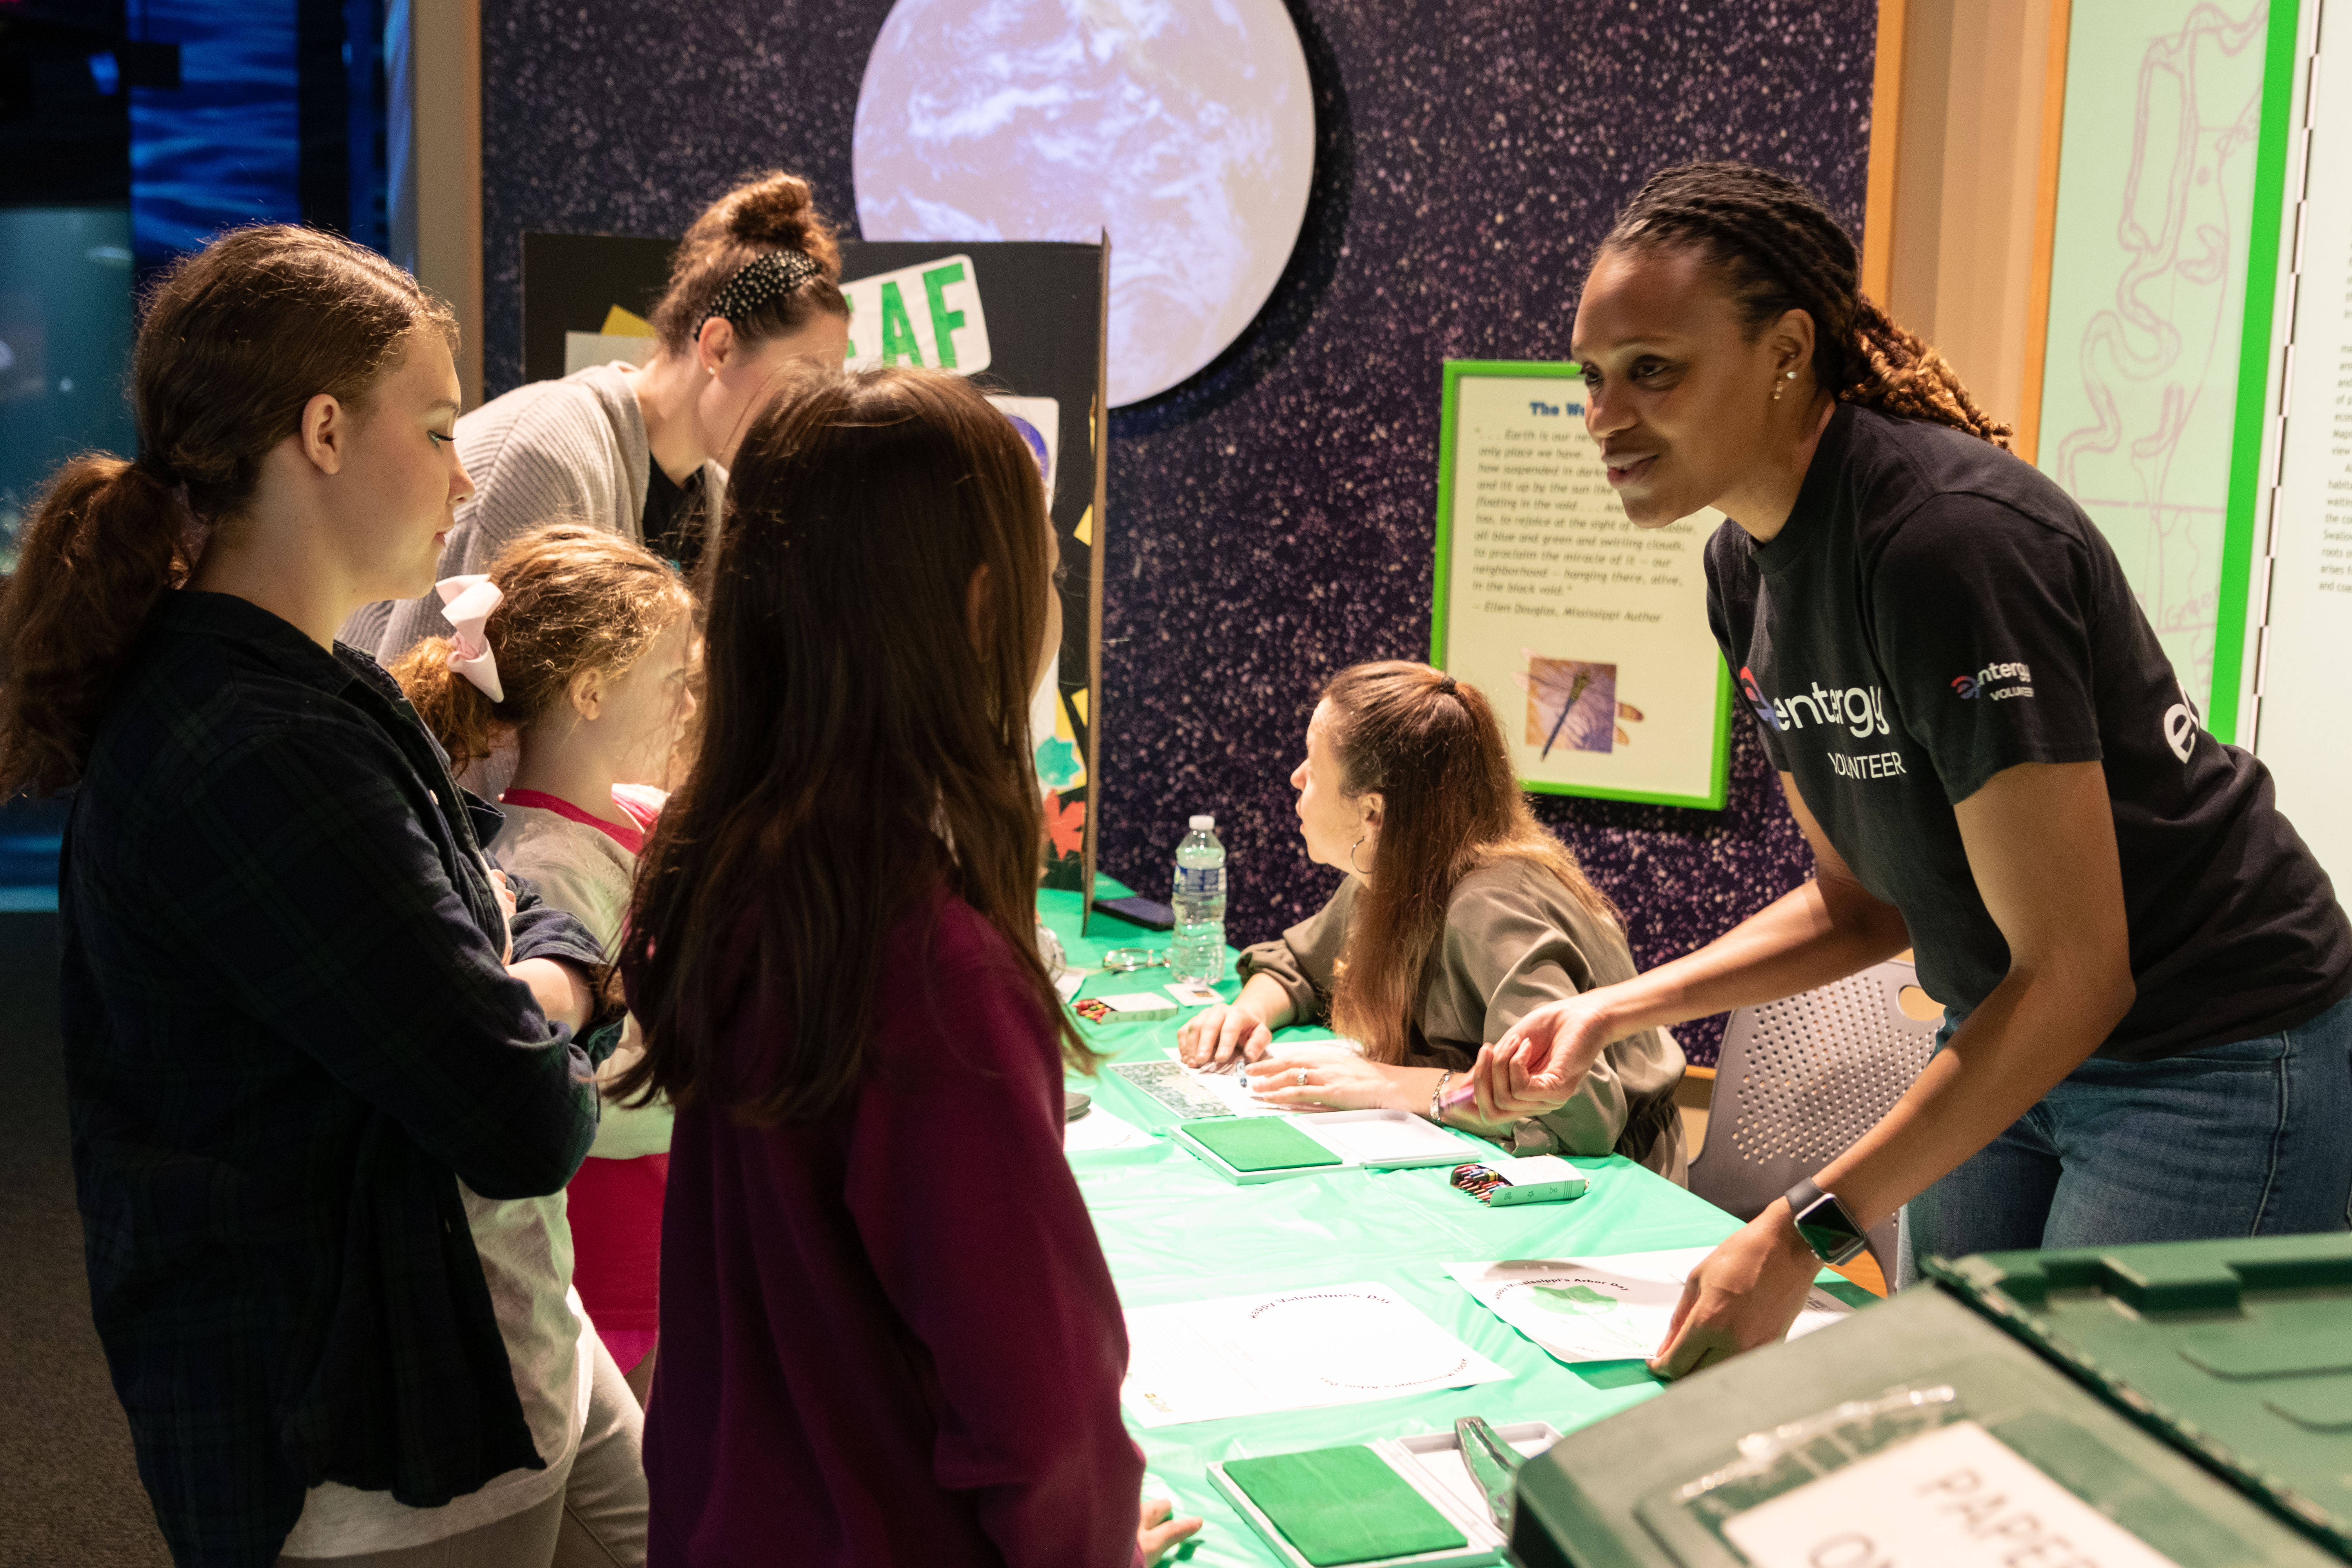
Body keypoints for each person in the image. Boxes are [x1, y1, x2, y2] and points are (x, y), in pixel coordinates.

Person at [1473, 161, 2352, 1376]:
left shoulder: (1942, 545)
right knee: (1955, 1404)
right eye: (1591, 376)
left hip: (2205, 1054)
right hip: (2006, 1034)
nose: (1604, 417)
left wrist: (1800, 1230)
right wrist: (1614, 1006)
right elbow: (1863, 901)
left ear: (1785, 352)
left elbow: (2078, 971)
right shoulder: (1744, 568)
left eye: (1652, 371)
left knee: (2098, 1460)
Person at [0, 226, 648, 1566]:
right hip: (372, 1442)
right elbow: (522, 1110)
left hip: (484, 1341)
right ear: (325, 434)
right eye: (437, 427)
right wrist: (570, 980)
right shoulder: (251, 749)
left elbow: (495, 885)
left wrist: (536, 970)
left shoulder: (316, 687)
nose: (464, 476)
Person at [613, 364, 1197, 1568]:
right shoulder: (927, 966)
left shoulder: (721, 871)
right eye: (1044, 571)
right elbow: (1034, 1409)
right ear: (983, 609)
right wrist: (1083, 1541)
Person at [391, 521, 699, 1411]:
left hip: (652, 1234)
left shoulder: (630, 821)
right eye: (674, 683)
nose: (687, 706)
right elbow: (577, 1083)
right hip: (607, 1252)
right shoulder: (549, 866)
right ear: (593, 690)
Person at [1177, 661, 1688, 1176]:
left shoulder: (1488, 907)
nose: (1297, 778)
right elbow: (1301, 964)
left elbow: (1580, 1114)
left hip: (1616, 1180)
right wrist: (1248, 1012)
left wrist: (1393, 1086)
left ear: (1374, 813)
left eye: (1313, 765)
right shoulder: (1398, 869)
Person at [348, 169, 852, 665]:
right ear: (718, 346)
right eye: (803, 382)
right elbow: (428, 704)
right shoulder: (548, 457)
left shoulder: (715, 501)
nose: (811, 412)